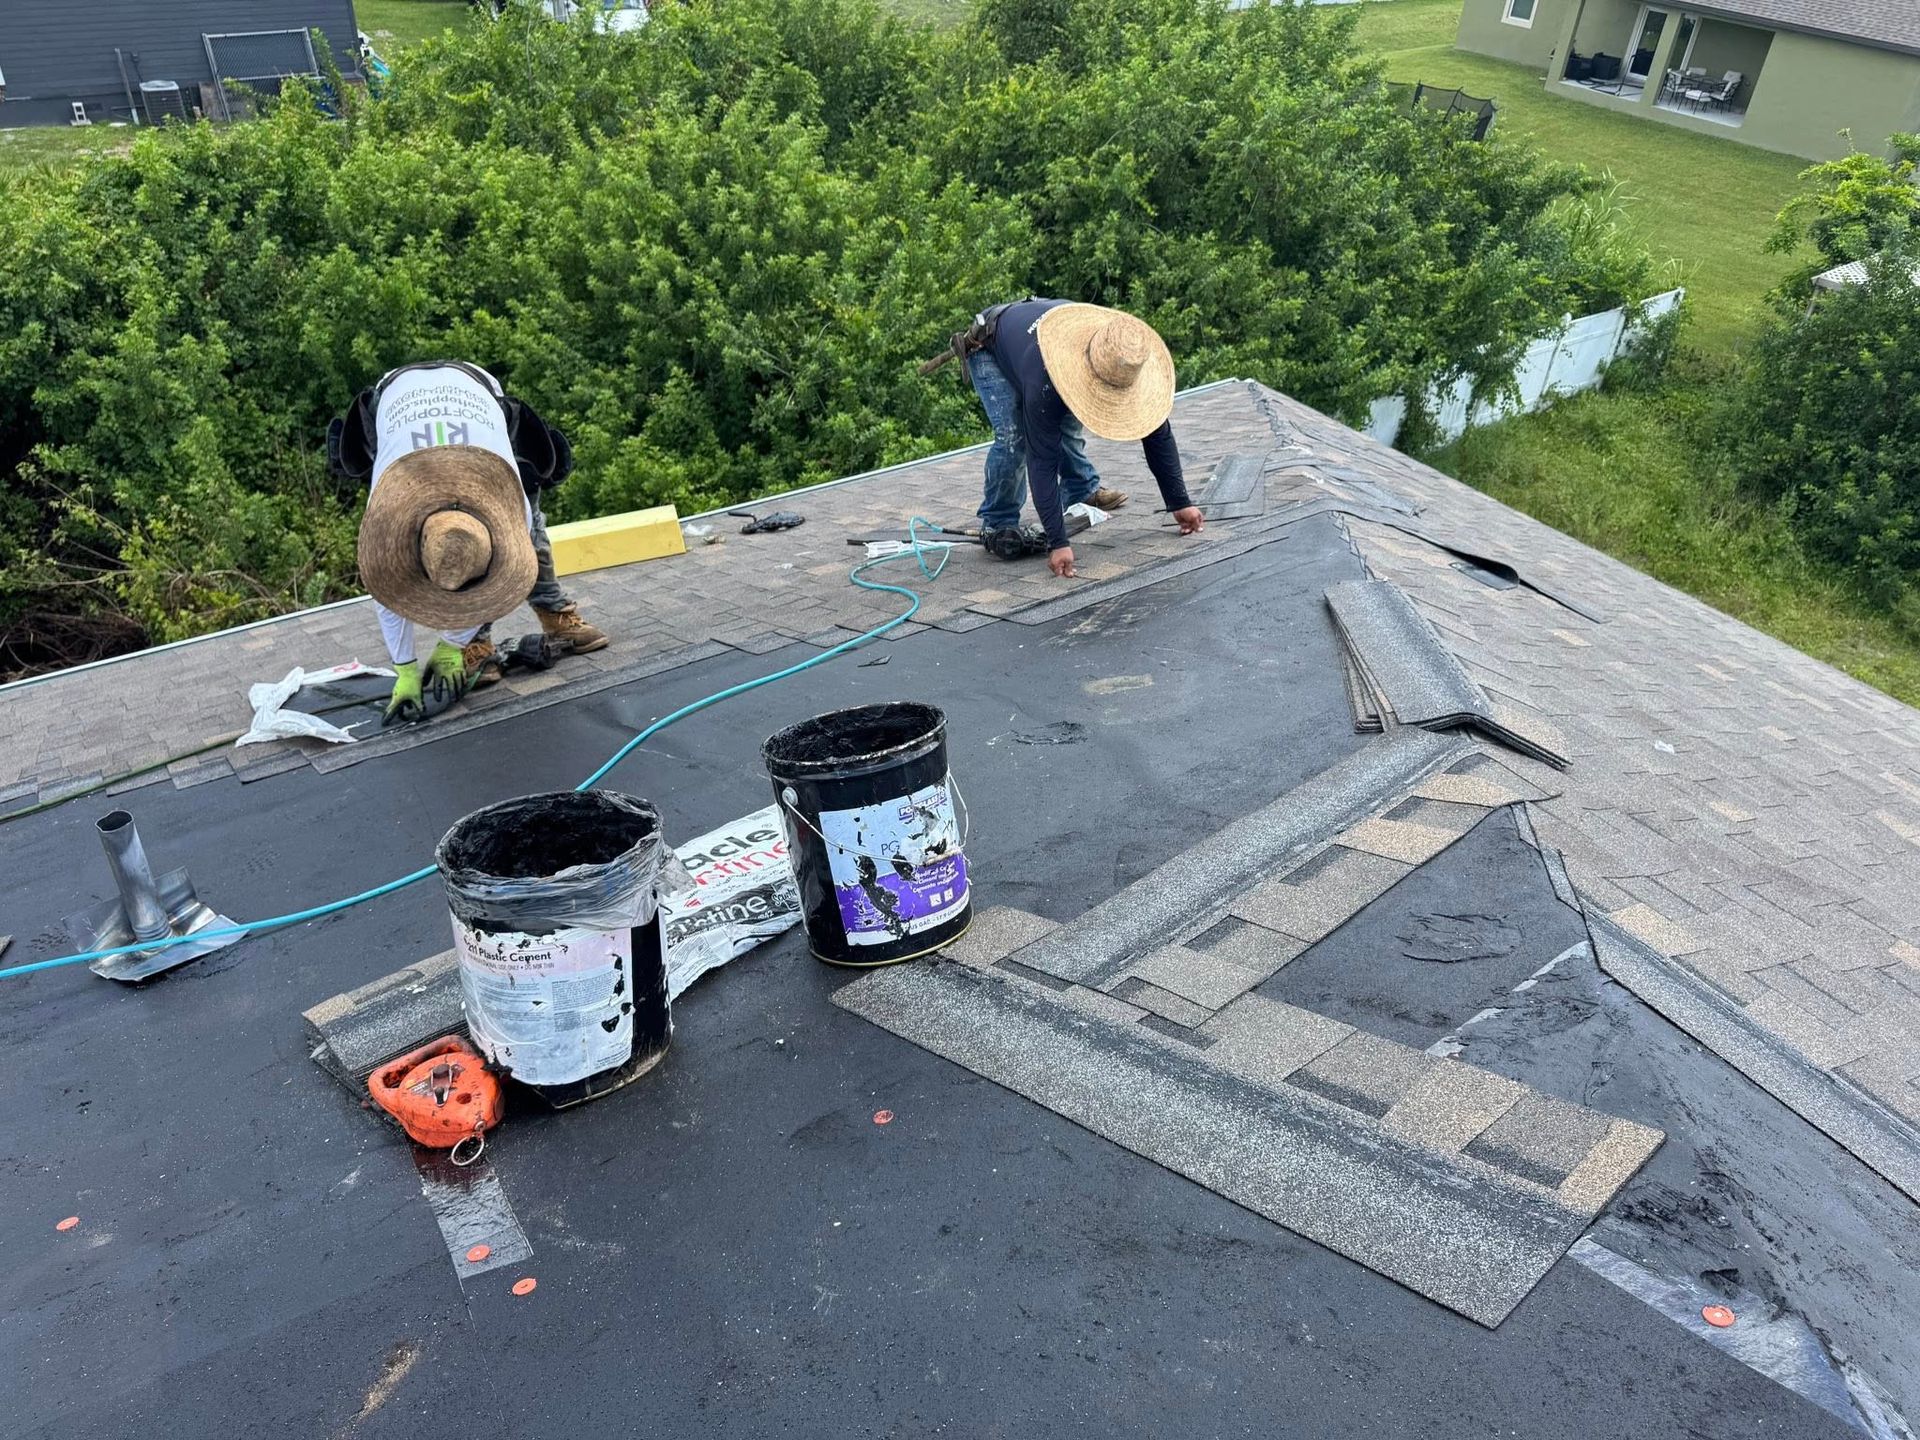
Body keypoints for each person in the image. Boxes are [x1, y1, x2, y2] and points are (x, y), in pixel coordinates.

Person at [329, 361, 607, 725]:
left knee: (532, 532)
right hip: (396, 402)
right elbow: (384, 589)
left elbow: (510, 563)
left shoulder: (509, 501)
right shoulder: (388, 509)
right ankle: (478, 642)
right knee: (450, 556)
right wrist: (405, 669)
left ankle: (553, 614)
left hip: (474, 392)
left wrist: (450, 645)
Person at [964, 300, 1205, 578]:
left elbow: (1157, 435)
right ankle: (998, 519)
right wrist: (1058, 542)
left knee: (1066, 413)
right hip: (990, 343)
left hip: (1044, 338)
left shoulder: (1121, 351)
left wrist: (1180, 501)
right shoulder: (1044, 377)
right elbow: (1041, 460)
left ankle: (1080, 491)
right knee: (1016, 436)